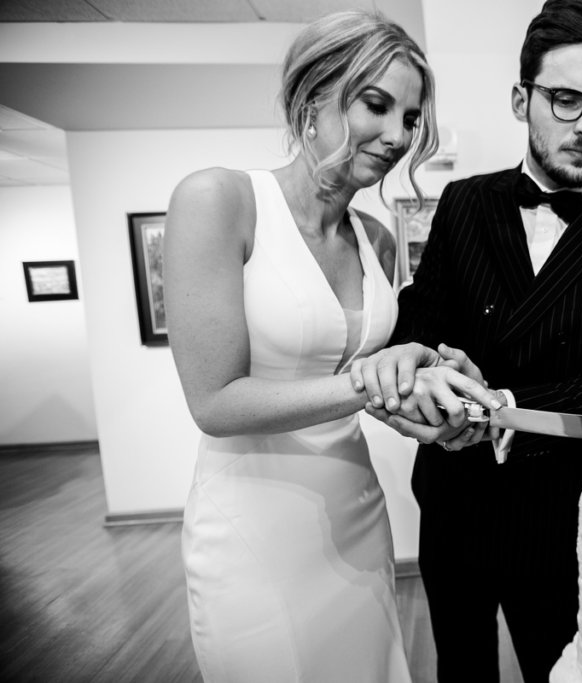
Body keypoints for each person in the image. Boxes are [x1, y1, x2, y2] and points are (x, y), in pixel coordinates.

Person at [163, 11, 497, 682]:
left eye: (410, 117)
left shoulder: (374, 238)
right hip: (254, 528)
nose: (398, 135)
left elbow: (370, 384)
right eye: (377, 105)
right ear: (313, 96)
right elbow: (214, 402)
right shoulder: (218, 199)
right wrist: (371, 380)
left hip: (354, 513)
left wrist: (432, 390)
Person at [351, 1, 582, 680]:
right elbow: (421, 320)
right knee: (462, 665)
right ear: (520, 99)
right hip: (454, 496)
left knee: (557, 668)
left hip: (558, 510)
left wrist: (498, 401)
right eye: (565, 100)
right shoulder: (466, 203)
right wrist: (431, 362)